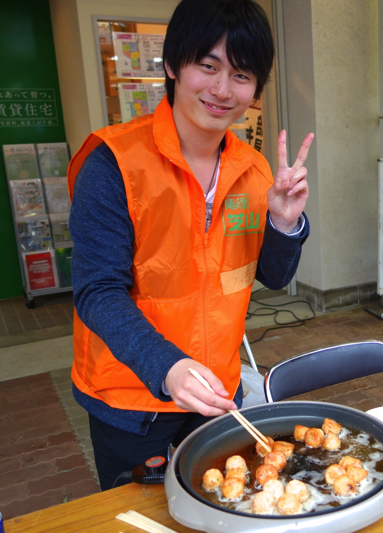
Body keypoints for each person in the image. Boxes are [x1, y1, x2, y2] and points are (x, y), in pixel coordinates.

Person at [67, 0, 314, 490]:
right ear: (172, 65)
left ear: (256, 89)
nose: (222, 90)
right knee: (139, 516)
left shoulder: (254, 170)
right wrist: (168, 367)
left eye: (241, 75)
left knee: (222, 507)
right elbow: (97, 291)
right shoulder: (113, 162)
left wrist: (285, 225)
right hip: (129, 398)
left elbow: (273, 276)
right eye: (208, 66)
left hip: (216, 391)